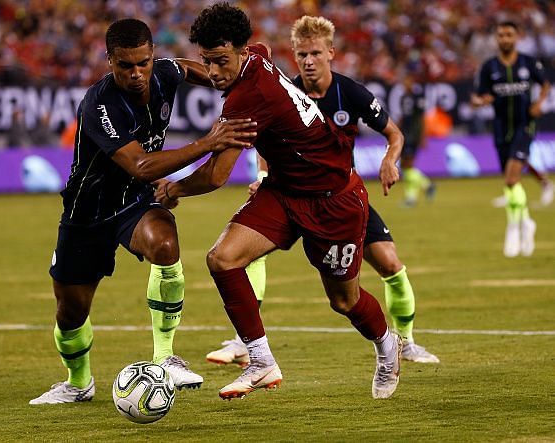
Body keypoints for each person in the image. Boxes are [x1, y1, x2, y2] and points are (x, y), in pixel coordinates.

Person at [157, 2, 403, 400]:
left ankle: (387, 346)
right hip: (285, 191)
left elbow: (217, 175)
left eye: (221, 61)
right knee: (222, 258)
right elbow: (213, 73)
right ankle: (261, 360)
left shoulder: (246, 100)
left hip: (333, 200)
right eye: (208, 61)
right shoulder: (258, 54)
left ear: (240, 50)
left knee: (344, 300)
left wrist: (174, 189)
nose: (216, 71)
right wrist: (176, 67)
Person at [29, 18, 256, 405]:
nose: (137, 74)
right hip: (87, 215)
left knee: (166, 244)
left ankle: (165, 357)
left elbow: (183, 67)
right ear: (109, 61)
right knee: (70, 312)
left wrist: (224, 80)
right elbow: (142, 166)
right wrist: (207, 143)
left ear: (152, 55)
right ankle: (78, 383)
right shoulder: (99, 104)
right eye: (125, 66)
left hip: (134, 202)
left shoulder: (162, 72)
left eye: (144, 63)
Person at [205, 15, 439, 369]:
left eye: (315, 53)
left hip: (340, 197)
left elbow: (395, 134)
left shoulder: (352, 93)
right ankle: (248, 344)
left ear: (331, 53)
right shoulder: (286, 90)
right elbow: (267, 143)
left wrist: (391, 161)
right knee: (240, 252)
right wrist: (263, 174)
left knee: (386, 267)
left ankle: (405, 343)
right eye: (301, 55)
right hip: (290, 194)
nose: (308, 61)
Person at [471, 20, 550, 257]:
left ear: (517, 37)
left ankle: (513, 227)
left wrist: (539, 103)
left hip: (525, 126)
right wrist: (480, 101)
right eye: (501, 35)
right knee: (511, 182)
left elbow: (545, 83)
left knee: (511, 177)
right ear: (497, 39)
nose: (505, 39)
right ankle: (526, 221)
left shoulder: (528, 62)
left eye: (509, 35)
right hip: (500, 128)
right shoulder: (489, 67)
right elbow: (478, 96)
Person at [398, 72, 436, 207]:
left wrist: (423, 136)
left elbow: (421, 118)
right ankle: (424, 186)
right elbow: (402, 117)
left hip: (413, 134)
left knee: (408, 166)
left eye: (408, 81)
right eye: (404, 81)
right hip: (404, 134)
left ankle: (418, 192)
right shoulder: (403, 98)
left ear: (412, 83)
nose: (405, 84)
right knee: (405, 166)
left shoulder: (418, 98)